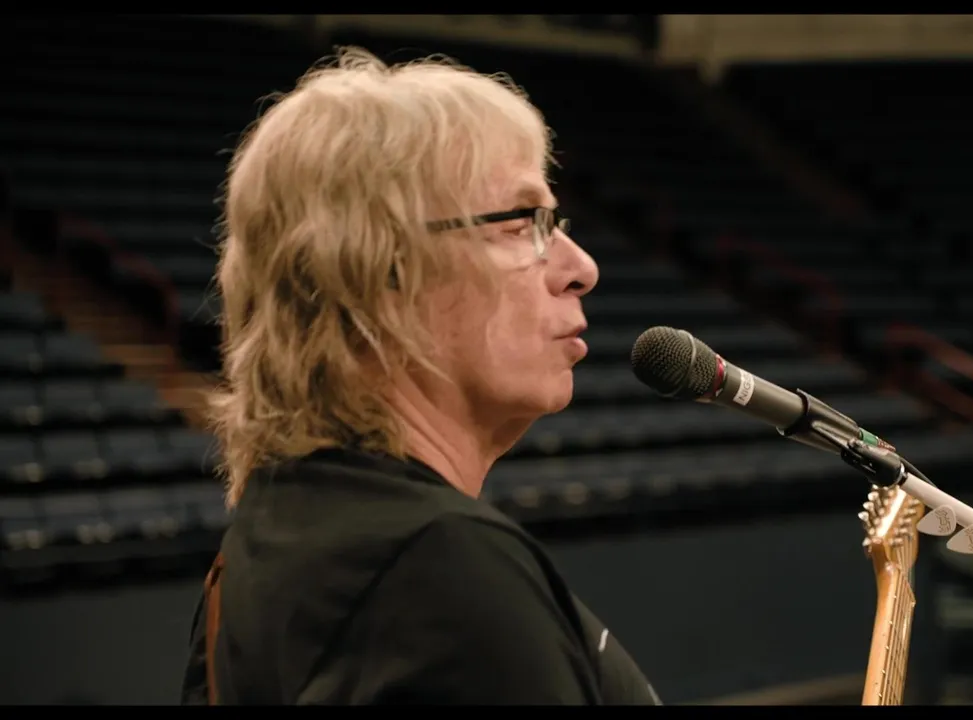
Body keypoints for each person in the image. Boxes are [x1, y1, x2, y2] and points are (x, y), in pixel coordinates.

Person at [180, 47, 660, 705]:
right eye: (521, 223)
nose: (581, 268)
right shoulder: (437, 562)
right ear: (377, 272)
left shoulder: (257, 551)